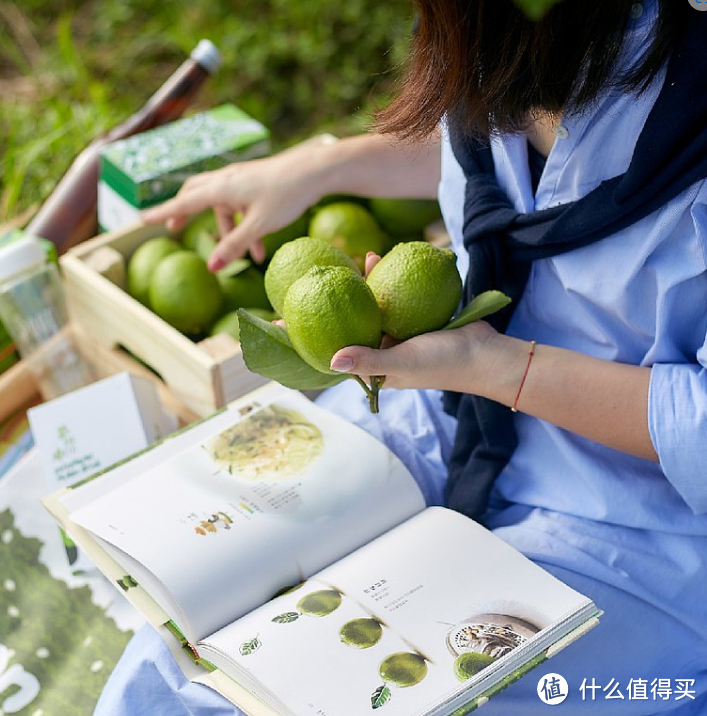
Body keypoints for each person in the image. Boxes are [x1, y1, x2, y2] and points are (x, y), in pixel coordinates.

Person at [95, 0, 707, 713]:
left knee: (367, 689)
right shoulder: (517, 41)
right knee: (178, 637)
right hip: (445, 411)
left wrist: (498, 367)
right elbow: (505, 148)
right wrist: (319, 167)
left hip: (637, 515)